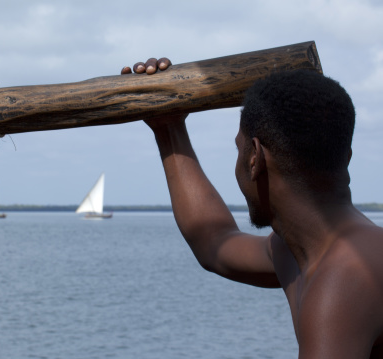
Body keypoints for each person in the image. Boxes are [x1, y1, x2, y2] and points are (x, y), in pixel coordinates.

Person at [122, 58, 383, 358]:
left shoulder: (342, 281)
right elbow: (214, 243)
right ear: (346, 156)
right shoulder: (304, 251)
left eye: (238, 148)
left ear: (254, 159)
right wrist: (168, 128)